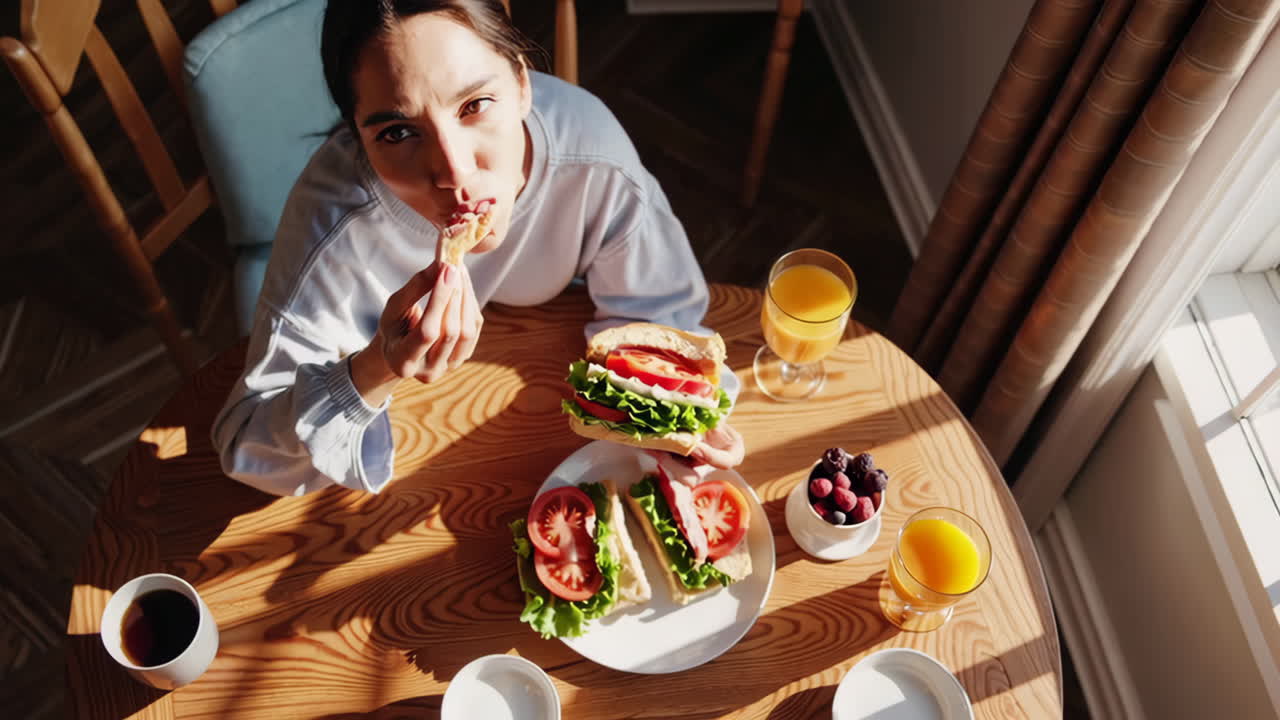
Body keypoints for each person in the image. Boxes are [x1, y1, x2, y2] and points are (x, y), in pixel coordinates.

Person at [211, 0, 744, 497]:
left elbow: (660, 317)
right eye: (398, 133)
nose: (453, 173)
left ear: (522, 81)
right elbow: (246, 445)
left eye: (475, 105)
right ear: (356, 135)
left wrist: (670, 423)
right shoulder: (335, 226)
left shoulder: (592, 157)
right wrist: (377, 365)